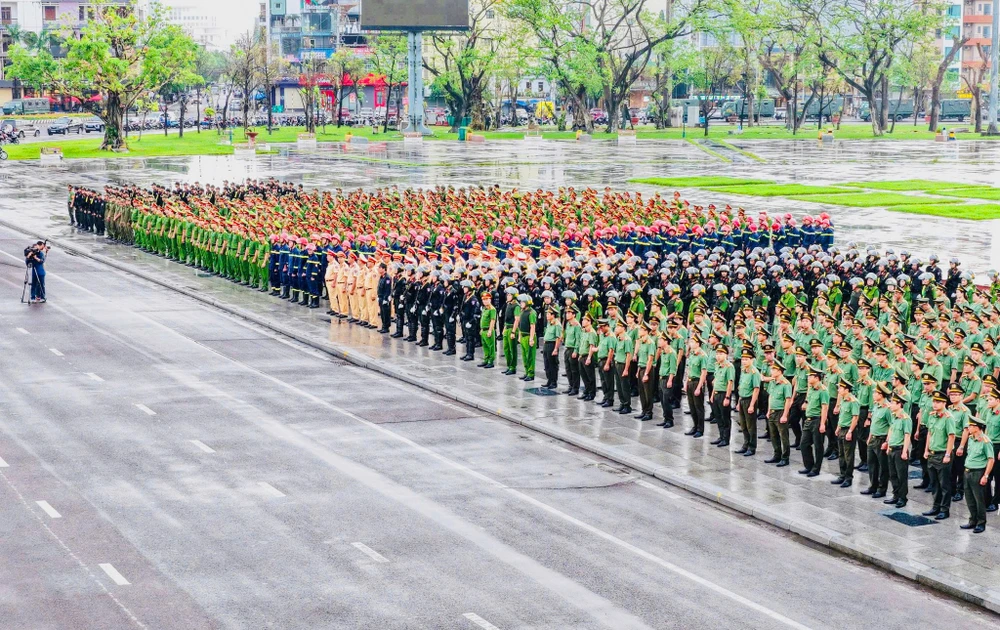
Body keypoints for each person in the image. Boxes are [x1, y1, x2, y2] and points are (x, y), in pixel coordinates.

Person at [962, 416, 995, 533]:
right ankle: (972, 520)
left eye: (971, 426)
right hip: (967, 471)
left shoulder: (986, 442)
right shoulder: (971, 439)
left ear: (977, 428)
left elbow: (991, 460)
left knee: (979, 499)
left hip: (978, 472)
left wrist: (985, 476)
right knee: (969, 498)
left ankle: (981, 523)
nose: (969, 428)